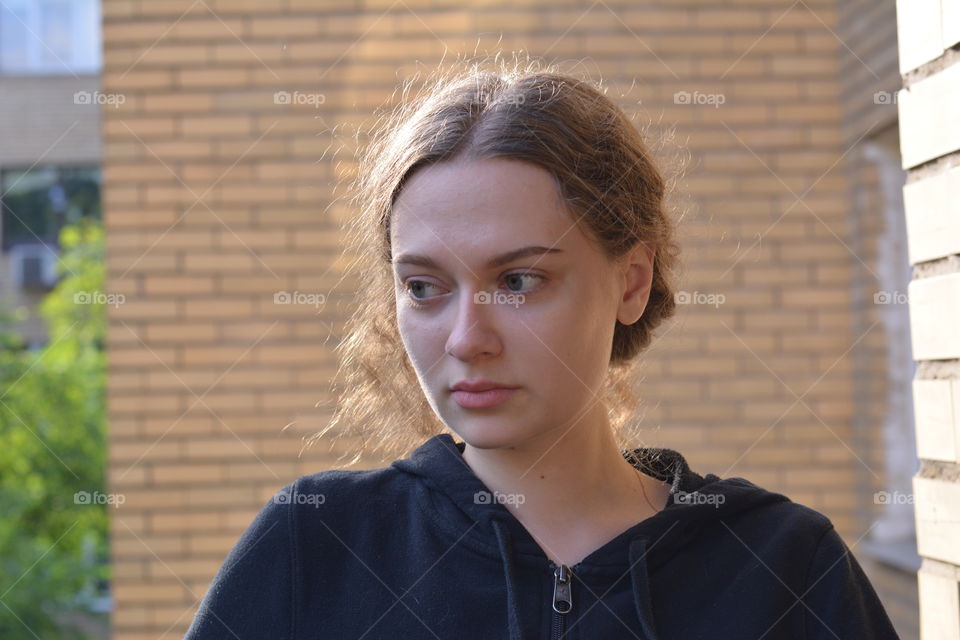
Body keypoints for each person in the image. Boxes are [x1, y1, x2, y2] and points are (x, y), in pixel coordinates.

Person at [183, 58, 901, 639]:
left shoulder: (780, 566)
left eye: (520, 280)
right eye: (425, 288)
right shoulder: (316, 545)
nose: (468, 339)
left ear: (631, 282)